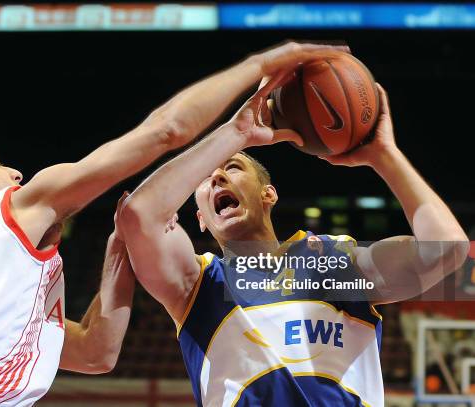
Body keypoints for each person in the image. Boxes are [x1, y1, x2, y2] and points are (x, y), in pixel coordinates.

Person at [0, 41, 340, 406]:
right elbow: (166, 131)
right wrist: (259, 68)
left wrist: (118, 256)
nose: (15, 174)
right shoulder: (6, 212)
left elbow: (94, 354)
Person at [118, 71, 469, 406]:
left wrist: (384, 156)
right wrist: (236, 133)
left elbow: (446, 251)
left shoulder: (330, 263)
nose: (218, 178)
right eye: (206, 179)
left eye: (233, 167)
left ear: (268, 194)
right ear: (201, 220)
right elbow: (138, 215)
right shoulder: (199, 285)